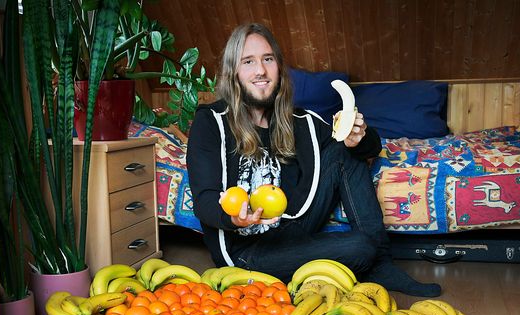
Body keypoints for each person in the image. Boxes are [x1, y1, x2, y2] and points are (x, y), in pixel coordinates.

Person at [186, 23, 441, 297]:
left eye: (268, 59)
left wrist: (359, 137)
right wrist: (234, 218)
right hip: (248, 250)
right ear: (233, 72)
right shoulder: (210, 122)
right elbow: (205, 201)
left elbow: (370, 148)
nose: (260, 70)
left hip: (295, 227)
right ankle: (366, 258)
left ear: (279, 69)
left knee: (344, 149)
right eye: (248, 61)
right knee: (358, 248)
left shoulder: (300, 121)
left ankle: (381, 265)